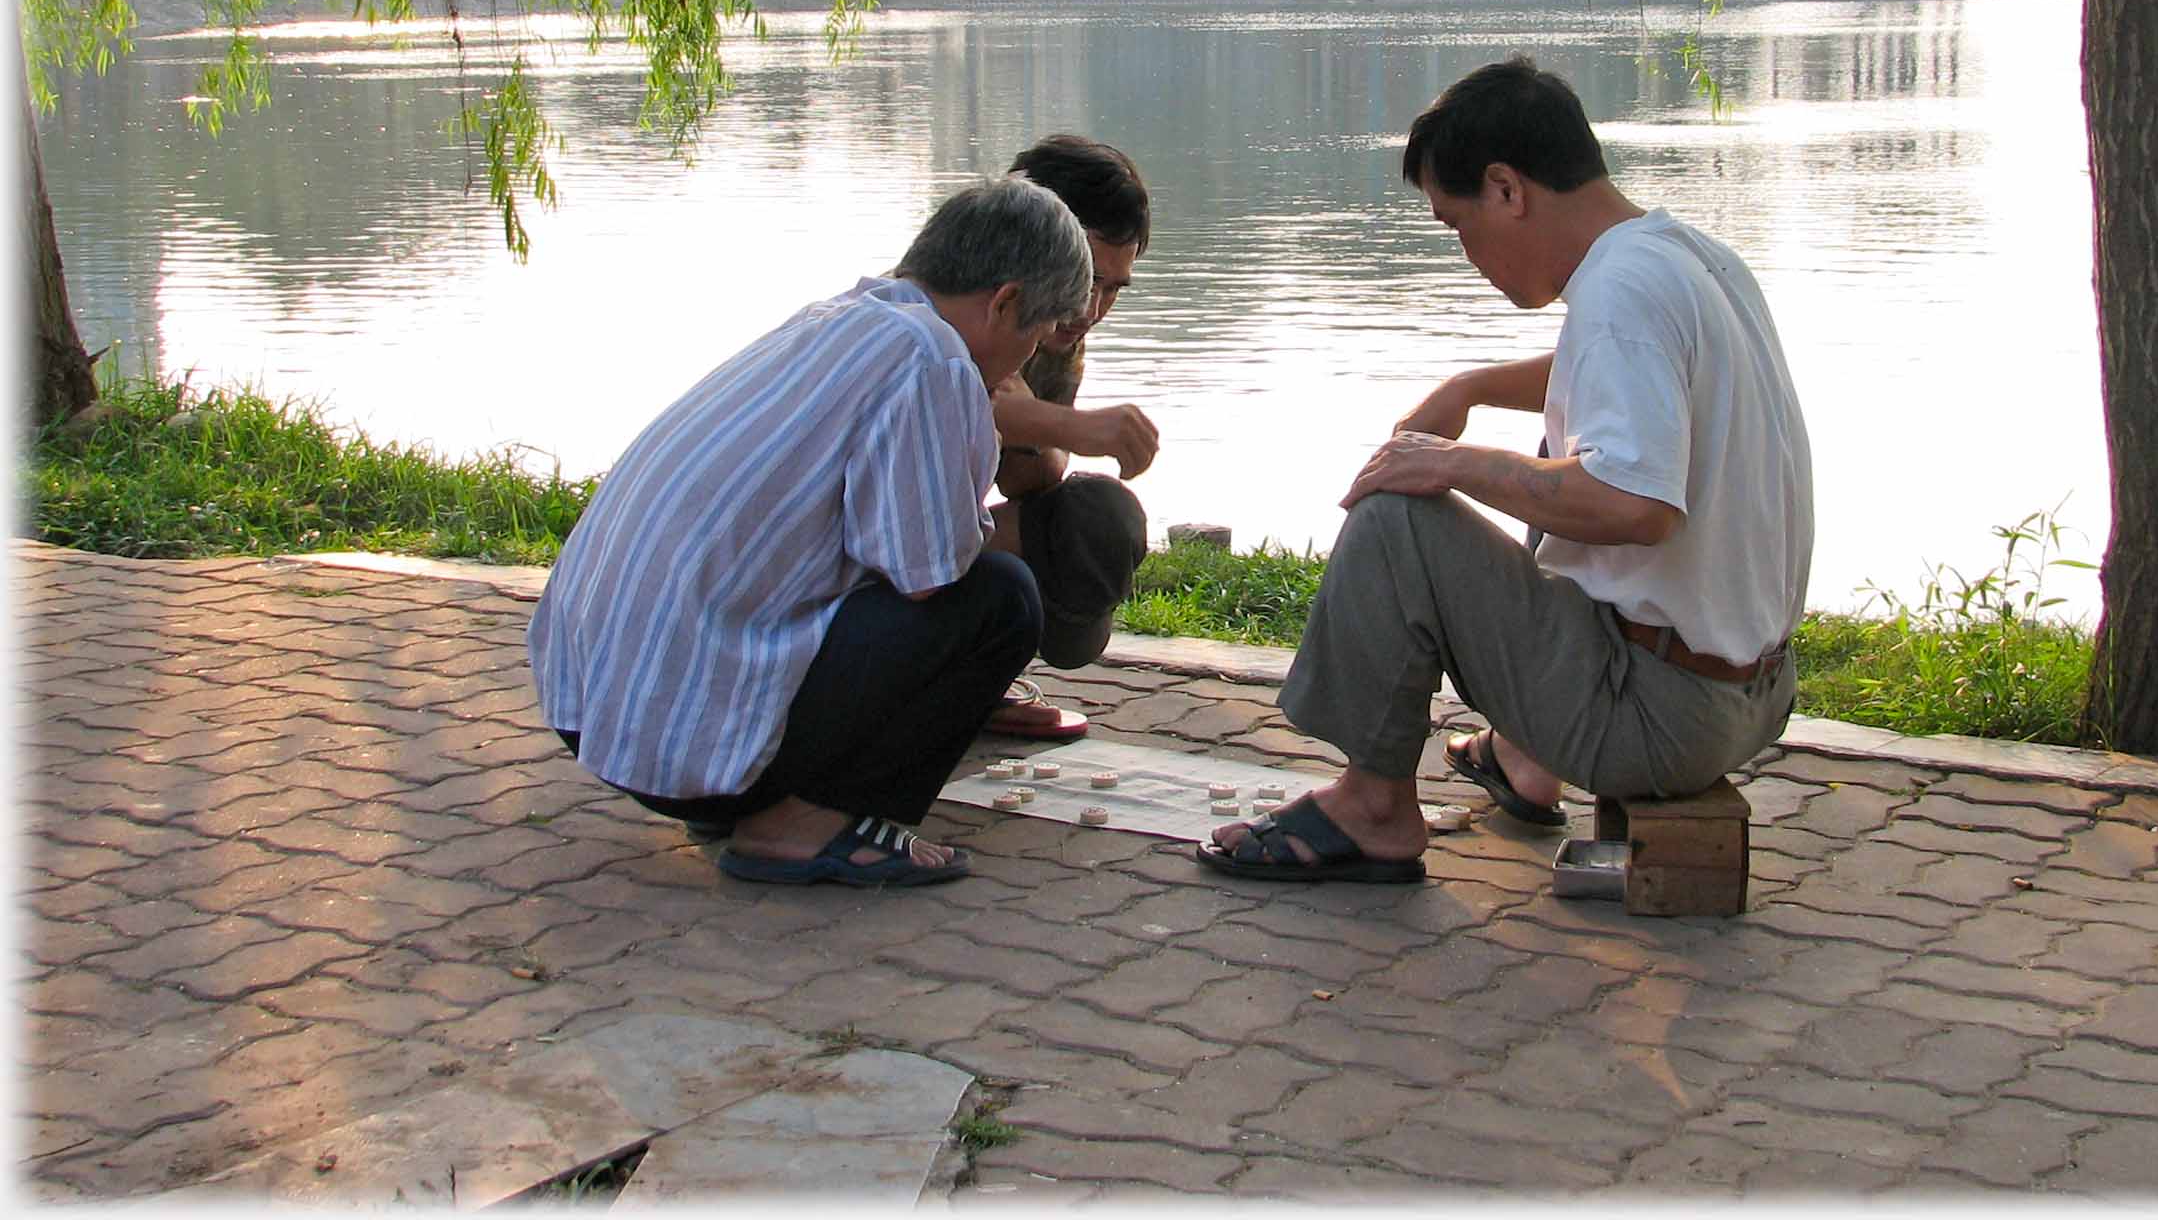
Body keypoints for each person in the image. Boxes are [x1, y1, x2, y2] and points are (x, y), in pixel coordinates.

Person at [1199, 59, 1811, 882]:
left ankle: (1372, 808)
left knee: (1398, 519)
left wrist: (1449, 462)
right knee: (1548, 460)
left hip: (1658, 719)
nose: (1467, 254)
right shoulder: (1685, 256)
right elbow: (1614, 375)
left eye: (1458, 225)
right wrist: (1473, 390)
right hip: (1752, 696)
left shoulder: (1619, 293)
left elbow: (1637, 507)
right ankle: (1524, 756)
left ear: (1507, 190)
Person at [528, 177, 1091, 888]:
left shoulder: (839, 317)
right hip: (675, 742)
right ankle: (801, 824)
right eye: (1034, 335)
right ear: (1005, 303)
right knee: (1001, 599)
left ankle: (756, 792)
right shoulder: (933, 358)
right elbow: (929, 574)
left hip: (597, 712)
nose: (1025, 361)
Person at [980, 135, 1157, 739]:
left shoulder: (1059, 333)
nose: (1091, 307)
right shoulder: (951, 304)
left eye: (1111, 288)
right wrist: (1063, 427)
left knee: (1088, 522)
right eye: (1084, 278)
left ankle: (973, 683)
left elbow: (1032, 476)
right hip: (851, 557)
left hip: (934, 538)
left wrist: (1037, 421)